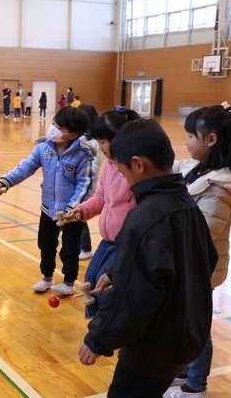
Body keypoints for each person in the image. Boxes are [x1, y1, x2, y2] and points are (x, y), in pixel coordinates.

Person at [78, 120, 218, 398]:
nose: (123, 178)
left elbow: (135, 295)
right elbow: (204, 260)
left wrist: (98, 338)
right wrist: (119, 269)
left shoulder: (144, 217)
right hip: (185, 338)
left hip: (154, 347)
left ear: (138, 164)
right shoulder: (186, 203)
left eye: (122, 170)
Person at [163, 103, 231, 398]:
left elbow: (200, 233)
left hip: (201, 267)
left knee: (198, 325)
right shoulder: (195, 168)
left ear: (211, 140)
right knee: (185, 321)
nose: (186, 142)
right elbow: (168, 170)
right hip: (186, 264)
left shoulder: (219, 186)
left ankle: (195, 385)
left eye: (191, 136)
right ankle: (185, 370)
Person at [0, 106, 94, 294]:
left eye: (60, 127)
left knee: (70, 249)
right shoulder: (43, 147)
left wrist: (72, 209)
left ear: (74, 134)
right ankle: (47, 277)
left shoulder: (83, 155)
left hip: (72, 212)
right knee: (45, 244)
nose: (53, 128)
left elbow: (84, 184)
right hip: (48, 208)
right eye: (54, 124)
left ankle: (69, 282)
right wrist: (5, 181)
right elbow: (25, 168)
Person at [63, 108, 141, 318]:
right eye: (99, 141)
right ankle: (99, 326)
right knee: (90, 278)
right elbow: (100, 198)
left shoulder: (134, 168)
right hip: (108, 240)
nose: (101, 147)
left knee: (106, 285)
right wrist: (80, 211)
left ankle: (111, 328)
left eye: (104, 142)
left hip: (126, 243)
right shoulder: (108, 165)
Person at [74, 104, 103, 262]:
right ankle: (75, 245)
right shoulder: (80, 136)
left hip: (87, 182)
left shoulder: (96, 140)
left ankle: (86, 248)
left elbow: (95, 162)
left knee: (79, 214)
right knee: (70, 213)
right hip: (76, 180)